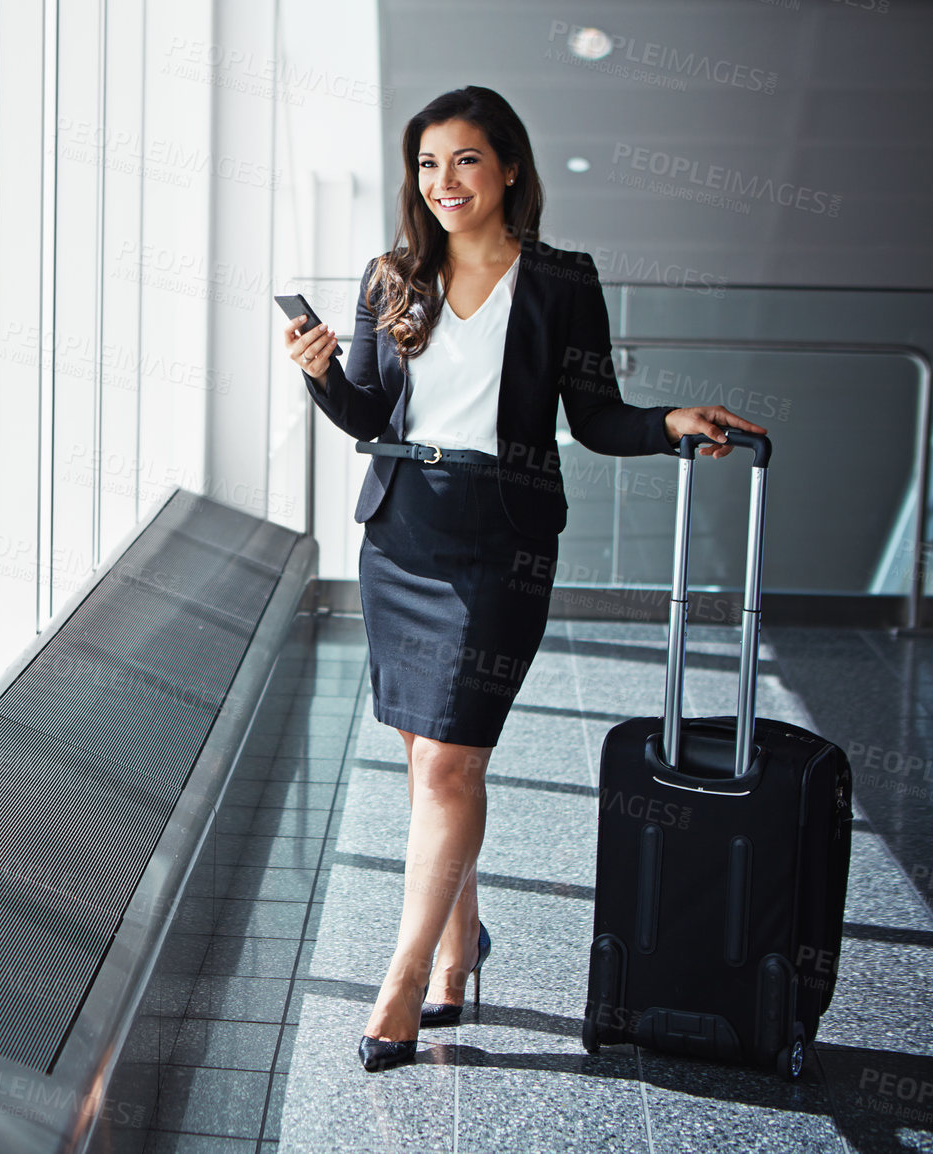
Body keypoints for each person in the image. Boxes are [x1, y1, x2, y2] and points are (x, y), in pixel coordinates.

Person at [281, 85, 765, 1072]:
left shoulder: (559, 281)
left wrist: (666, 420)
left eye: (463, 159)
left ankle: (402, 980)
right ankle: (460, 946)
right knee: (430, 764)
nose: (443, 181)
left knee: (453, 761)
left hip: (500, 544)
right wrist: (319, 371)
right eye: (426, 164)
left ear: (507, 167)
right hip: (402, 535)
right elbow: (371, 414)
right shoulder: (390, 277)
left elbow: (593, 417)